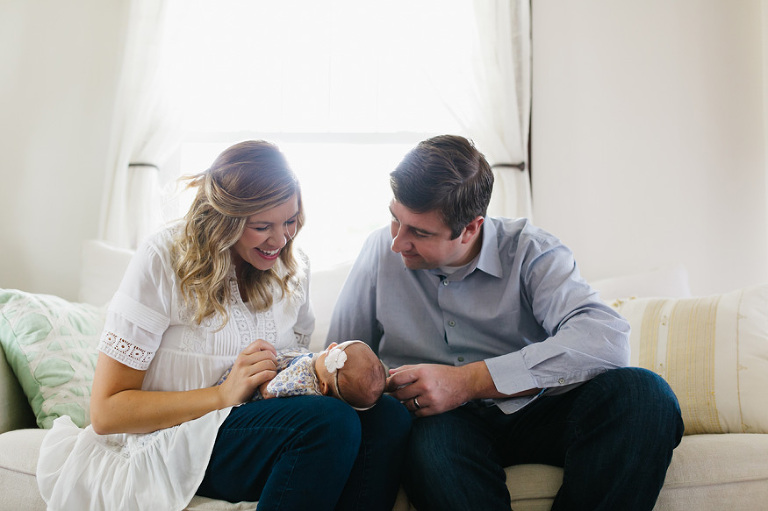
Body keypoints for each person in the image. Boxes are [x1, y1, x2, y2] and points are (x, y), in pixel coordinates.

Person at [36, 140, 411, 511]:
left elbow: (293, 370)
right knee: (328, 424)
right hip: (175, 439)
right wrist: (222, 395)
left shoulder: (291, 268)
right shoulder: (162, 259)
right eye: (263, 226)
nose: (280, 240)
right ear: (225, 219)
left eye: (290, 221)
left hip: (258, 428)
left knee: (386, 416)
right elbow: (107, 413)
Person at [327, 134, 684, 511]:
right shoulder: (378, 252)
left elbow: (606, 339)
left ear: (471, 228)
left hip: (538, 410)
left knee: (644, 396)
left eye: (419, 232)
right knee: (430, 449)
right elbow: (336, 361)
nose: (398, 243)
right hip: (440, 424)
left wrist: (468, 381)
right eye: (395, 220)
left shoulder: (531, 251)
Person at [218, 340, 387, 411]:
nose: (330, 346)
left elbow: (270, 391)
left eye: (330, 353)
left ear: (323, 387)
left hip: (242, 389)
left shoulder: (303, 378)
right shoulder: (315, 370)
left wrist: (265, 373)